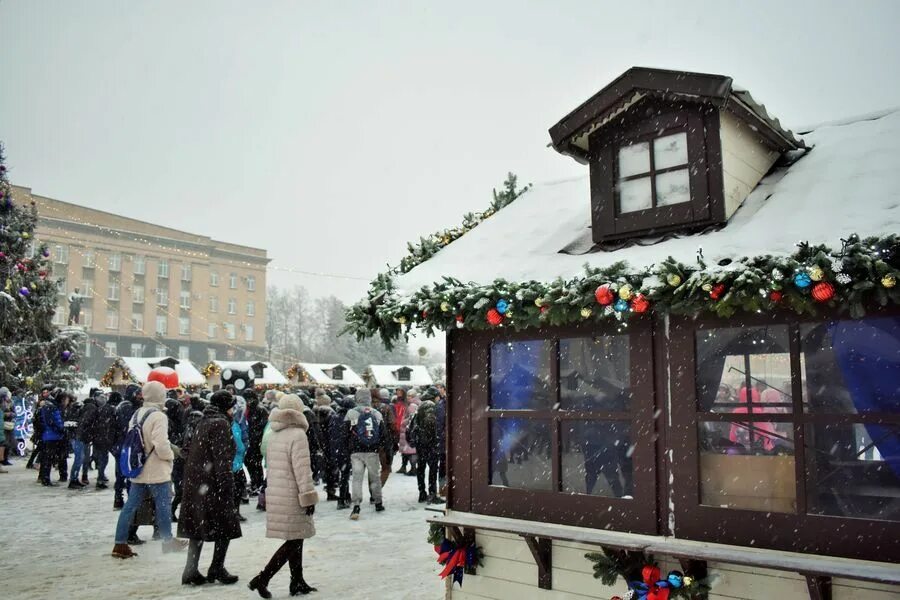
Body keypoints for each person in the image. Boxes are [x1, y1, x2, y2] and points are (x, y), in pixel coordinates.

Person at [248, 394, 318, 598]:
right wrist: (308, 495)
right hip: (293, 493)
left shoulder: (275, 433)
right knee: (294, 541)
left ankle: (297, 581)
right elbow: (302, 470)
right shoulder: (298, 435)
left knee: (296, 537)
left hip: (278, 491)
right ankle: (262, 578)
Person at [111, 381, 187, 559]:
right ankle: (167, 541)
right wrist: (170, 456)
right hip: (156, 468)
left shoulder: (137, 413)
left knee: (130, 507)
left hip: (139, 466)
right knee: (163, 505)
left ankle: (120, 543)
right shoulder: (159, 416)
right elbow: (160, 443)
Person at [178, 390, 242, 586]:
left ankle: (190, 570)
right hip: (212, 484)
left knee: (197, 527)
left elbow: (189, 450)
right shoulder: (220, 424)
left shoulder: (203, 421)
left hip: (196, 483)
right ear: (226, 407)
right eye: (231, 406)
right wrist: (226, 485)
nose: (233, 411)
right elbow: (221, 459)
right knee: (225, 525)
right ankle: (217, 567)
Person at [345, 388, 386, 520]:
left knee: (357, 478)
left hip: (356, 451)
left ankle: (356, 505)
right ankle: (378, 502)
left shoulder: (351, 413)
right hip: (372, 451)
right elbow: (383, 434)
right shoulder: (376, 413)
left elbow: (345, 433)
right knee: (374, 478)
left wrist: (348, 448)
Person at [412, 388, 444, 504]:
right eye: (438, 397)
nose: (439, 399)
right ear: (434, 396)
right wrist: (434, 439)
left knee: (421, 468)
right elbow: (430, 423)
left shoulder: (421, 405)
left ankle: (422, 493)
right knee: (433, 469)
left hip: (420, 443)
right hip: (429, 443)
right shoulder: (430, 405)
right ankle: (432, 494)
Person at [112, 384, 142, 509]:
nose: (140, 396)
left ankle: (120, 498)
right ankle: (126, 499)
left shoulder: (124, 406)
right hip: (125, 445)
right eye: (138, 394)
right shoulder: (127, 407)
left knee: (122, 472)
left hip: (122, 444)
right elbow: (128, 427)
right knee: (127, 472)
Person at [38, 390, 67, 487]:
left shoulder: (48, 406)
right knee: (48, 458)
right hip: (52, 436)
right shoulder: (52, 407)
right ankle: (45, 479)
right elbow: (53, 421)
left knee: (47, 458)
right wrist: (61, 429)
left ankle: (44, 478)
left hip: (49, 435)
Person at [329, 396, 353, 509]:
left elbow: (330, 433)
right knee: (345, 474)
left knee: (342, 472)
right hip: (345, 449)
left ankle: (346, 495)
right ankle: (342, 499)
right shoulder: (350, 418)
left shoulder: (335, 417)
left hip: (335, 449)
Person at [313, 390, 337, 500]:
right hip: (329, 444)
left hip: (318, 444)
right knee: (331, 467)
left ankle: (323, 482)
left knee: (322, 466)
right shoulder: (330, 414)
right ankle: (330, 490)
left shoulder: (313, 413)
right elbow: (333, 430)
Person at [90, 393, 116, 489]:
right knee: (105, 459)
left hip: (99, 438)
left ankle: (100, 477)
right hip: (106, 438)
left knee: (102, 459)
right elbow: (112, 424)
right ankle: (101, 478)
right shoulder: (110, 410)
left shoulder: (97, 410)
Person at [371, 388, 396, 486]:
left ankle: (373, 490)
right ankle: (377, 489)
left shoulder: (366, 408)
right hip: (383, 441)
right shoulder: (386, 408)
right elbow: (392, 424)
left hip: (369, 442)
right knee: (386, 468)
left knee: (372, 469)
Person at [244, 389, 267, 494]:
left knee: (255, 463)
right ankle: (255, 482)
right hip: (250, 440)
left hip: (256, 441)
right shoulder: (248, 409)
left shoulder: (260, 410)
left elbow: (262, 426)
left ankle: (258, 483)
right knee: (250, 462)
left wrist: (254, 436)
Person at [232, 395, 248, 522]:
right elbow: (238, 444)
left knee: (238, 486)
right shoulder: (233, 423)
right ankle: (234, 512)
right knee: (237, 487)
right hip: (234, 462)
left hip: (235, 461)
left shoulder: (234, 422)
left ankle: (234, 512)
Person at [398, 403, 419, 478]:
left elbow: (406, 424)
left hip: (409, 437)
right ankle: (412, 468)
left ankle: (413, 469)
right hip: (408, 437)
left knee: (411, 453)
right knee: (410, 452)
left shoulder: (412, 417)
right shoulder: (413, 416)